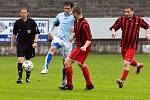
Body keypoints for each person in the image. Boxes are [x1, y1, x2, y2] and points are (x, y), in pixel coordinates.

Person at [110, 6, 149, 88]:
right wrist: (113, 32)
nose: (126, 13)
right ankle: (138, 65)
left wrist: (147, 34)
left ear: (132, 12)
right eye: (125, 12)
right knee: (128, 61)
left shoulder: (139, 20)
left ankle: (122, 81)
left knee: (126, 63)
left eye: (128, 12)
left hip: (132, 46)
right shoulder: (121, 19)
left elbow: (147, 26)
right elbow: (113, 27)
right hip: (124, 45)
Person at [59, 6, 94, 90]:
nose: (72, 16)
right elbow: (77, 32)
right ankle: (89, 84)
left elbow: (89, 38)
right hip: (80, 47)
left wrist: (85, 47)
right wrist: (73, 36)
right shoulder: (76, 21)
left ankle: (69, 85)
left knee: (67, 62)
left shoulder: (84, 24)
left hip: (82, 48)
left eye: (73, 14)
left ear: (76, 13)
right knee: (81, 64)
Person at [41, 1, 74, 87]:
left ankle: (64, 81)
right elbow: (54, 23)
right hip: (59, 37)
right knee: (52, 49)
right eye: (65, 8)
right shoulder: (60, 15)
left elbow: (78, 29)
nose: (66, 10)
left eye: (68, 8)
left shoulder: (74, 17)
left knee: (66, 63)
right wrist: (49, 32)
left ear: (71, 8)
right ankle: (45, 68)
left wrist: (74, 36)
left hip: (68, 42)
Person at [11, 7, 40, 84]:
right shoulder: (17, 22)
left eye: (25, 13)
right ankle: (20, 78)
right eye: (22, 13)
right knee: (20, 60)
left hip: (30, 44)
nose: (23, 14)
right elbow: (14, 35)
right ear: (20, 14)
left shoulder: (32, 22)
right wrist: (12, 45)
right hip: (20, 44)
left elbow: (36, 33)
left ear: (27, 13)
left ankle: (27, 78)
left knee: (29, 62)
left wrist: (35, 42)